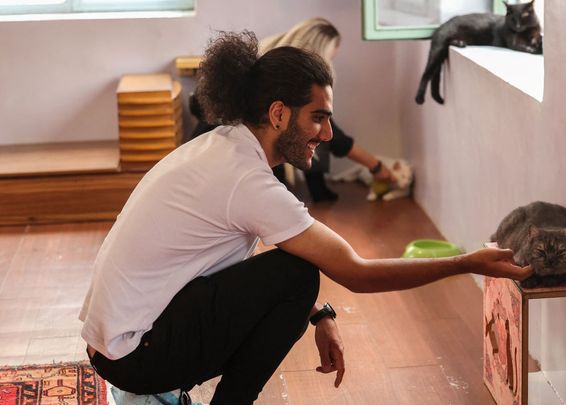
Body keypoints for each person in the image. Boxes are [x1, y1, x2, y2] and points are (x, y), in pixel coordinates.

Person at [79, 30, 532, 405]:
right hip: (136, 357)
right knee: (297, 273)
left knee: (291, 274)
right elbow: (356, 272)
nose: (328, 133)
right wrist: (464, 263)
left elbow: (230, 264)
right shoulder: (247, 180)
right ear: (278, 114)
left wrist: (319, 317)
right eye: (318, 117)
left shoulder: (225, 146)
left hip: (116, 345)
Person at [187, 18, 395, 203]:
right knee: (308, 128)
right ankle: (318, 191)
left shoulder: (269, 55)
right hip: (222, 160)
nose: (330, 63)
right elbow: (331, 137)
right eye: (330, 56)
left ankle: (318, 190)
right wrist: (376, 166)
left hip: (206, 149)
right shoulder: (287, 76)